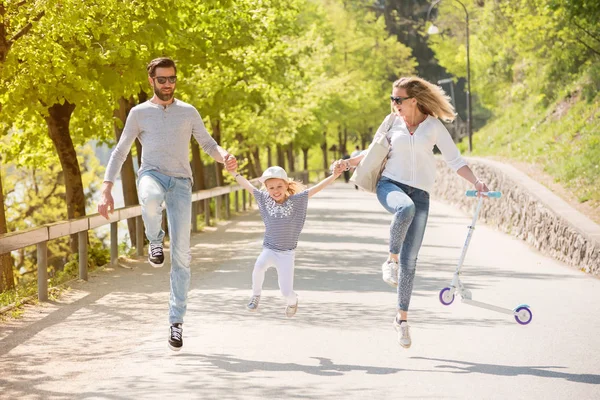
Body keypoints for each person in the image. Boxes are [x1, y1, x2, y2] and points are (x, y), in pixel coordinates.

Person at [334, 76, 489, 349]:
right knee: (404, 208)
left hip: (421, 193)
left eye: (398, 99)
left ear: (414, 100)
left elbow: (454, 160)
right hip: (390, 185)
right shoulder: (392, 122)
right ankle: (389, 259)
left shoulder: (433, 126)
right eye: (392, 99)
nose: (394, 104)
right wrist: (347, 162)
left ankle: (401, 320)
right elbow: (373, 150)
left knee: (412, 260)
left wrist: (476, 182)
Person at [97, 57, 238, 352]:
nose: (167, 84)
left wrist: (225, 156)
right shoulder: (139, 113)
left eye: (171, 79)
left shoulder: (188, 112)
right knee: (148, 200)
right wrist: (106, 188)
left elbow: (209, 144)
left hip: (182, 184)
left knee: (183, 256)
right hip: (152, 174)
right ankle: (154, 240)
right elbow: (121, 151)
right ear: (151, 81)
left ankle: (176, 321)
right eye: (161, 80)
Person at [227, 164, 343, 317]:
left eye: (279, 186)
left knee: (286, 291)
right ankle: (255, 295)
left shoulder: (296, 200)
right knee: (259, 266)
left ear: (287, 185)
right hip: (269, 249)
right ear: (266, 189)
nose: (275, 191)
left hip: (287, 254)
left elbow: (316, 188)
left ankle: (292, 301)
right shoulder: (264, 199)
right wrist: (234, 173)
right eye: (271, 187)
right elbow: (247, 185)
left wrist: (334, 175)